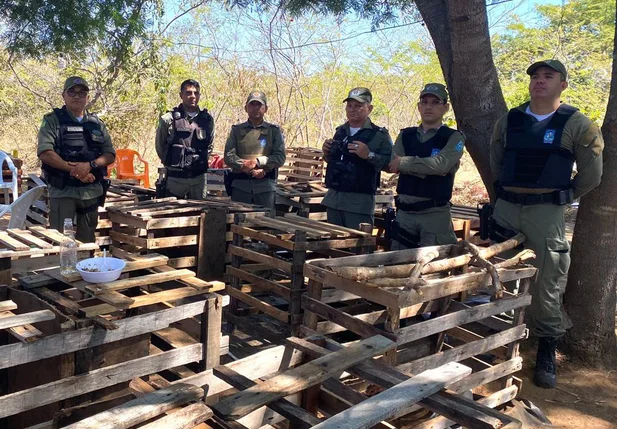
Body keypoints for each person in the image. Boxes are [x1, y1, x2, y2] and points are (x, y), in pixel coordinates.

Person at [490, 60, 604, 389]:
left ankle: (546, 349)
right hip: (507, 209)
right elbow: (497, 160)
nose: (540, 81)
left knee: (546, 284)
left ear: (563, 84)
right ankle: (502, 338)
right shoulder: (510, 120)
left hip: (546, 214)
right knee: (499, 275)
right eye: (535, 76)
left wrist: (561, 196)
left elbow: (591, 175)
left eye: (548, 76)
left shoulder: (577, 123)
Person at [38, 76, 116, 243]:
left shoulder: (97, 124)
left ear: (87, 97)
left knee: (87, 241)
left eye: (82, 93)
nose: (77, 96)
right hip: (63, 190)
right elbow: (45, 152)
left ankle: (86, 268)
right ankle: (61, 269)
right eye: (71, 92)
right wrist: (75, 169)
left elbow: (109, 154)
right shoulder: (52, 120)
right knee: (59, 240)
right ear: (63, 96)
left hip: (90, 191)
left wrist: (90, 165)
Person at [388, 83, 465, 248]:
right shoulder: (405, 135)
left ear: (445, 107)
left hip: (435, 216)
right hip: (405, 215)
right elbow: (394, 164)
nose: (429, 106)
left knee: (435, 268)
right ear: (418, 106)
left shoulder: (453, 137)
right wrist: (430, 168)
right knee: (399, 266)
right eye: (425, 102)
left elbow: (441, 165)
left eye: (435, 102)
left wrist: (405, 163)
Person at [321, 87, 392, 229]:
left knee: (357, 248)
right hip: (334, 199)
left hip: (358, 203)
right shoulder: (340, 131)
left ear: (369, 108)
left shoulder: (379, 135)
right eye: (349, 105)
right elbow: (335, 162)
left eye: (358, 106)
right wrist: (327, 152)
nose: (353, 109)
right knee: (332, 247)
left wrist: (369, 155)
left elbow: (391, 165)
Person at [224, 90, 286, 212]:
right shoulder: (236, 130)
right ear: (246, 108)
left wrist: (258, 163)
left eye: (259, 105)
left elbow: (280, 157)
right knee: (238, 224)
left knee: (265, 225)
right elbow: (229, 156)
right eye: (252, 105)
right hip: (241, 187)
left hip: (265, 186)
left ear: (266, 109)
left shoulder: (274, 131)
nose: (255, 108)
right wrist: (249, 168)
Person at [155, 79, 214, 199]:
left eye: (196, 93)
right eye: (188, 92)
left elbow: (209, 146)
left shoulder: (207, 120)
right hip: (175, 179)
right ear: (181, 95)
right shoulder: (168, 119)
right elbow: (160, 146)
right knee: (172, 215)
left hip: (199, 180)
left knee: (199, 215)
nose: (192, 96)